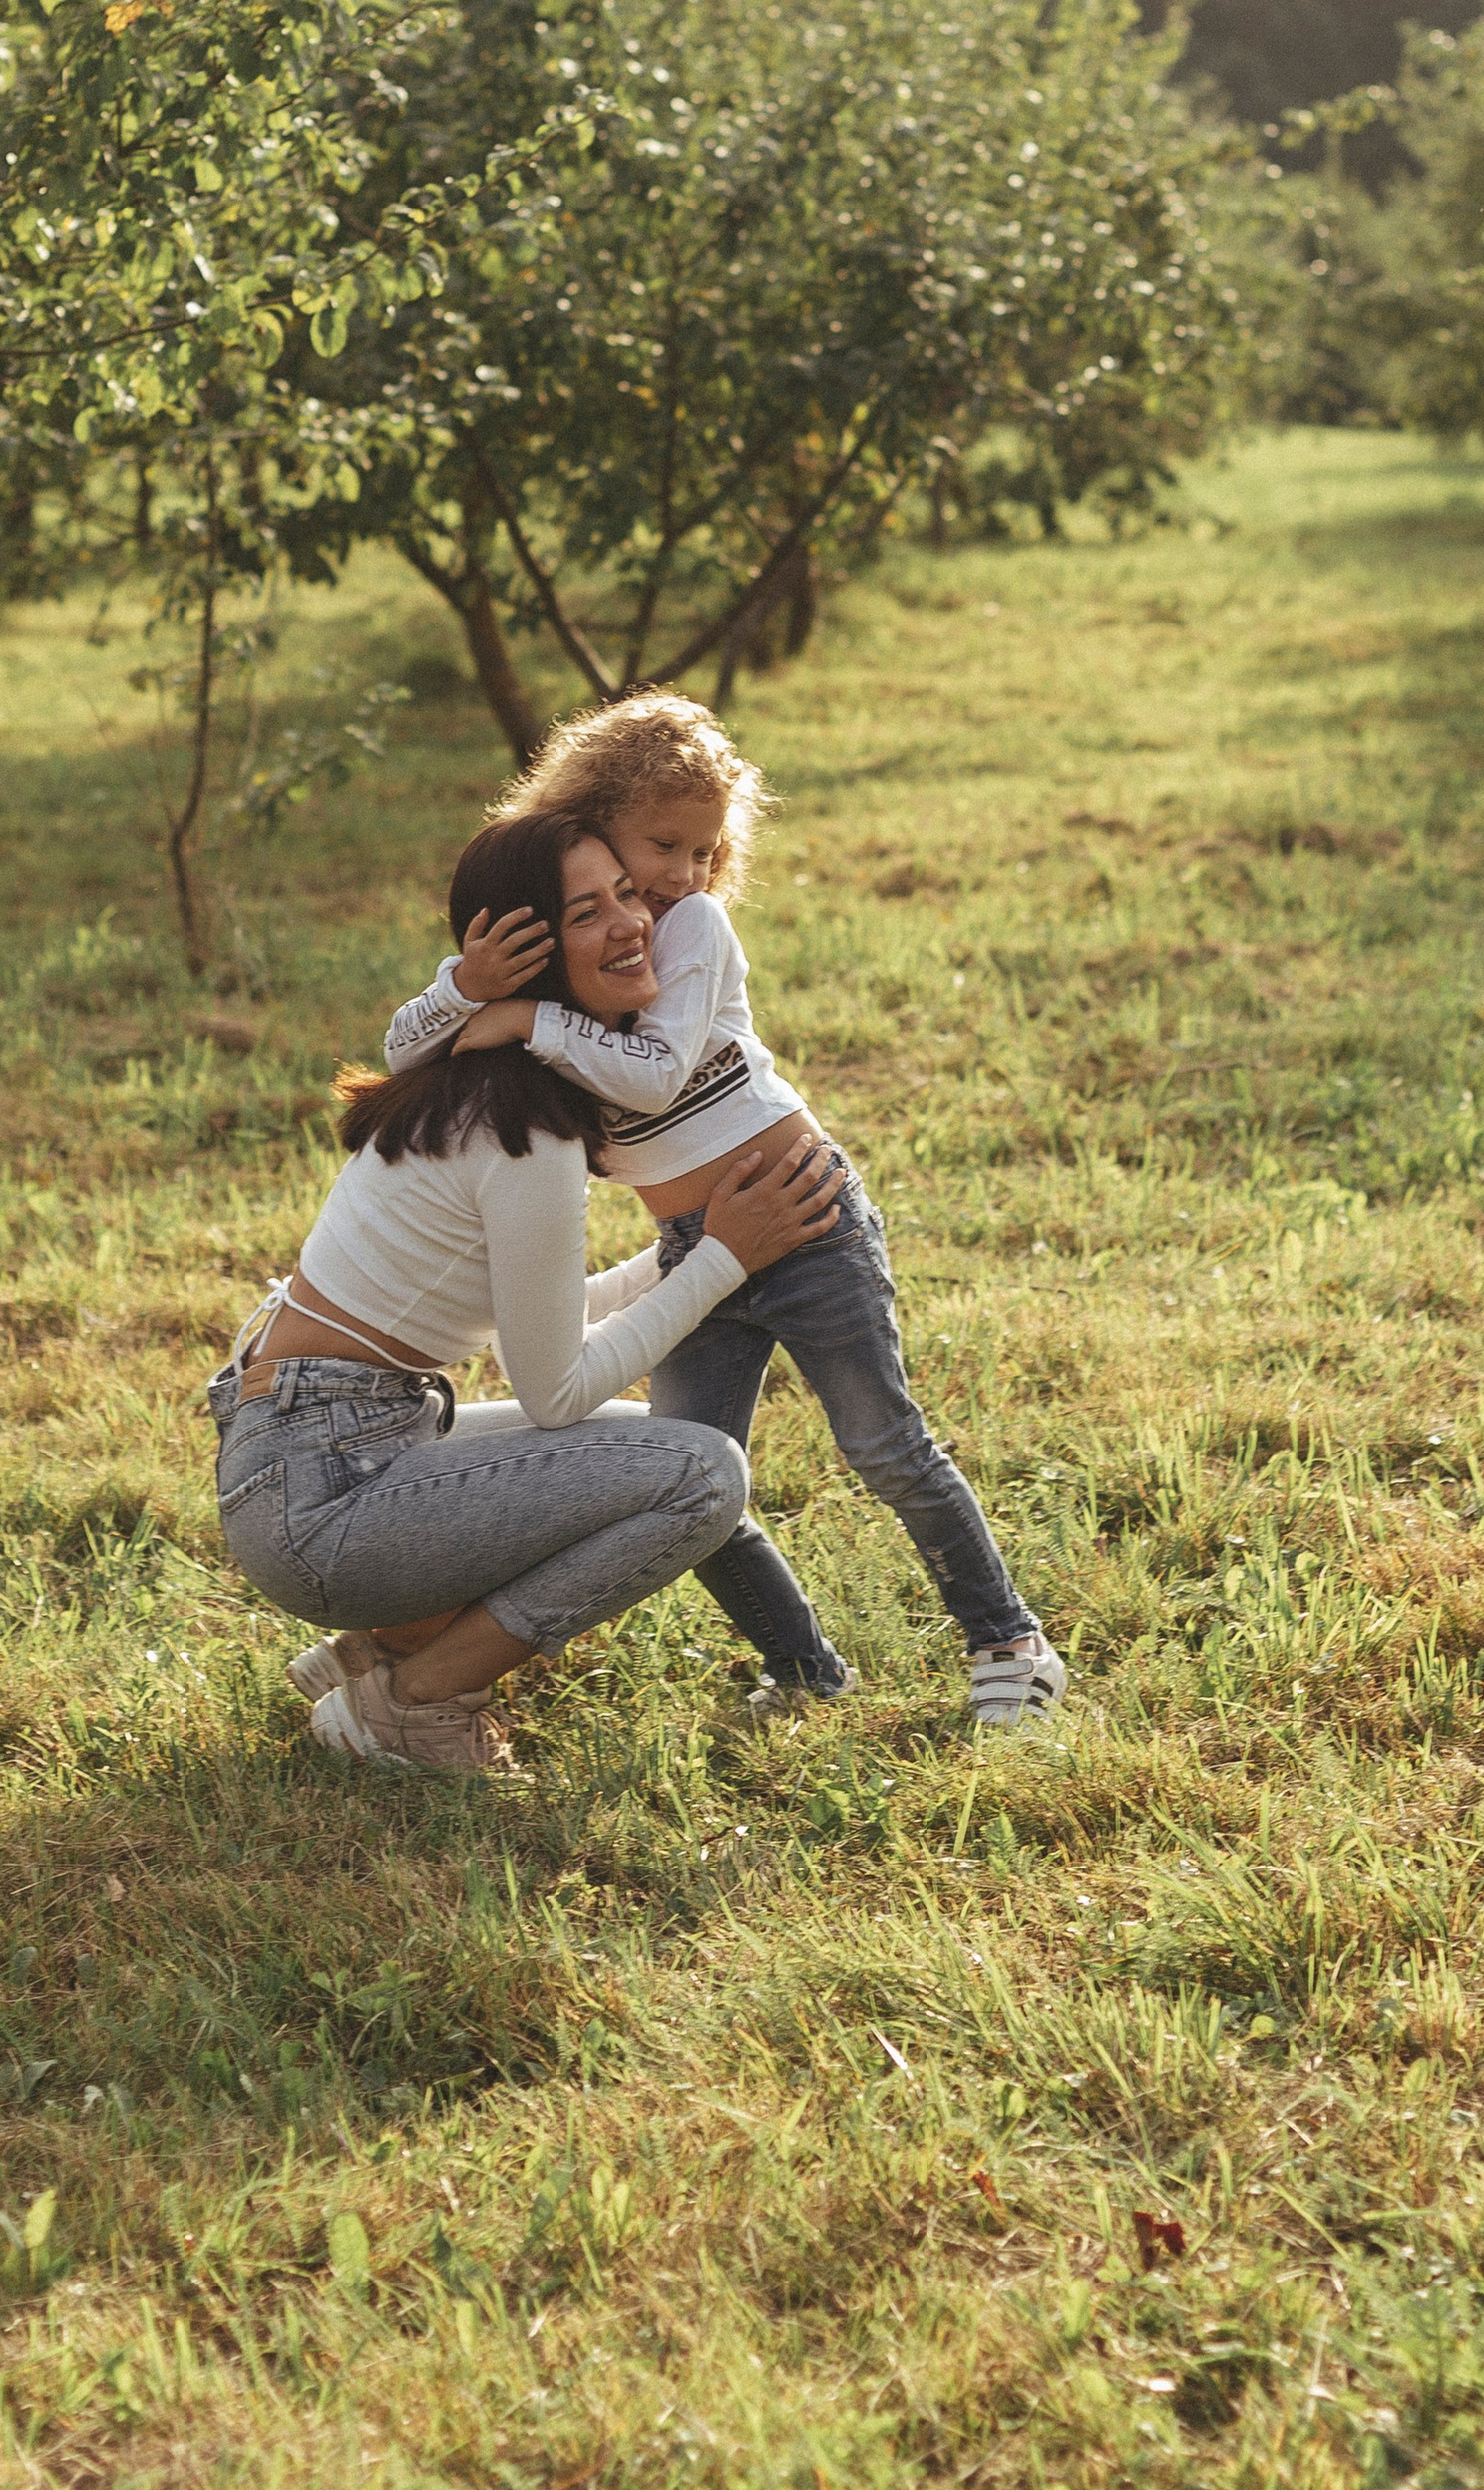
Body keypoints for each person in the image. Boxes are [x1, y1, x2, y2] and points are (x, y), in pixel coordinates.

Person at [382, 692, 1067, 1731]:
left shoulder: (691, 930)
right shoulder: (570, 951)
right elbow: (405, 1055)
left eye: (704, 851)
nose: (680, 874)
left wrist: (522, 1018)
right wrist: (462, 987)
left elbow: (654, 1076)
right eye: (662, 843)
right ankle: (803, 1671)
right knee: (688, 1478)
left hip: (804, 1226)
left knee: (883, 1444)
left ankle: (1009, 1641)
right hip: (695, 1253)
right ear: (591, 820)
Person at [208, 808, 840, 1776]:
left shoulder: (486, 1086)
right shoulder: (525, 1133)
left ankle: (385, 1646)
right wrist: (722, 1259)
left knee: (630, 1448)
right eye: (586, 914)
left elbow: (535, 1304)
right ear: (537, 958)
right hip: (324, 1488)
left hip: (318, 1441)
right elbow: (551, 1386)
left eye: (628, 893)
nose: (633, 922)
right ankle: (414, 1702)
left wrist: (690, 1256)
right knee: (700, 1473)